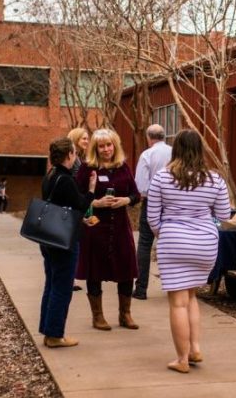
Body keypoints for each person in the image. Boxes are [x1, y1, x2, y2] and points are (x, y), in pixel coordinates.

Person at [147, 129, 231, 374]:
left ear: (177, 149)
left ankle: (182, 359)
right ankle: (194, 348)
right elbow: (224, 216)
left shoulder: (162, 177)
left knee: (178, 303)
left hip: (173, 242)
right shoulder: (215, 180)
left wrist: (168, 234)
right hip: (205, 244)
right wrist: (206, 227)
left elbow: (153, 218)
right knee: (192, 296)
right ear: (200, 150)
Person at [76, 128, 141, 331]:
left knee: (126, 269)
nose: (106, 149)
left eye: (109, 145)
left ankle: (125, 314)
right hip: (95, 227)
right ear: (95, 148)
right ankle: (98, 316)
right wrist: (97, 203)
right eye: (101, 146)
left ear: (115, 146)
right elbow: (77, 199)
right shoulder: (88, 169)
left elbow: (136, 195)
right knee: (95, 271)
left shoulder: (123, 168)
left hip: (120, 227)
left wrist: (126, 200)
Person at [39, 137, 97, 348]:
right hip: (64, 240)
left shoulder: (50, 176)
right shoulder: (65, 179)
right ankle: (55, 335)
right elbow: (80, 204)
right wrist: (91, 189)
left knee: (51, 284)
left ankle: (48, 329)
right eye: (74, 153)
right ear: (69, 155)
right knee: (62, 287)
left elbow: (61, 206)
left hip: (48, 237)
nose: (76, 157)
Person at [132, 124, 173, 300]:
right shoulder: (175, 152)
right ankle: (174, 287)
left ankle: (141, 289)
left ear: (149, 137)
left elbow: (141, 186)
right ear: (163, 136)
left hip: (151, 203)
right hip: (173, 203)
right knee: (172, 244)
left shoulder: (147, 155)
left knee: (144, 244)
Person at [67, 127, 90, 292]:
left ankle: (72, 278)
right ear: (76, 140)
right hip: (75, 205)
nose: (87, 141)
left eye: (88, 138)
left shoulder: (78, 158)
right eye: (84, 138)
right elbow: (77, 181)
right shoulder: (74, 159)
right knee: (72, 242)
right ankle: (70, 279)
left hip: (78, 204)